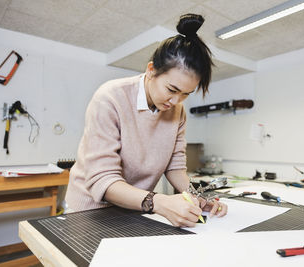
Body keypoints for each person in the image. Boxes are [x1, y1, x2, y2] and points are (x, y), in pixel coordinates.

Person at [65, 13, 228, 227]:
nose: (176, 100)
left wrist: (197, 196)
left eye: (186, 94)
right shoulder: (111, 97)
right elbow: (103, 180)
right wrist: (158, 202)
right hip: (90, 211)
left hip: (137, 208)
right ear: (151, 70)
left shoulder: (178, 110)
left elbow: (175, 167)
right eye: (172, 89)